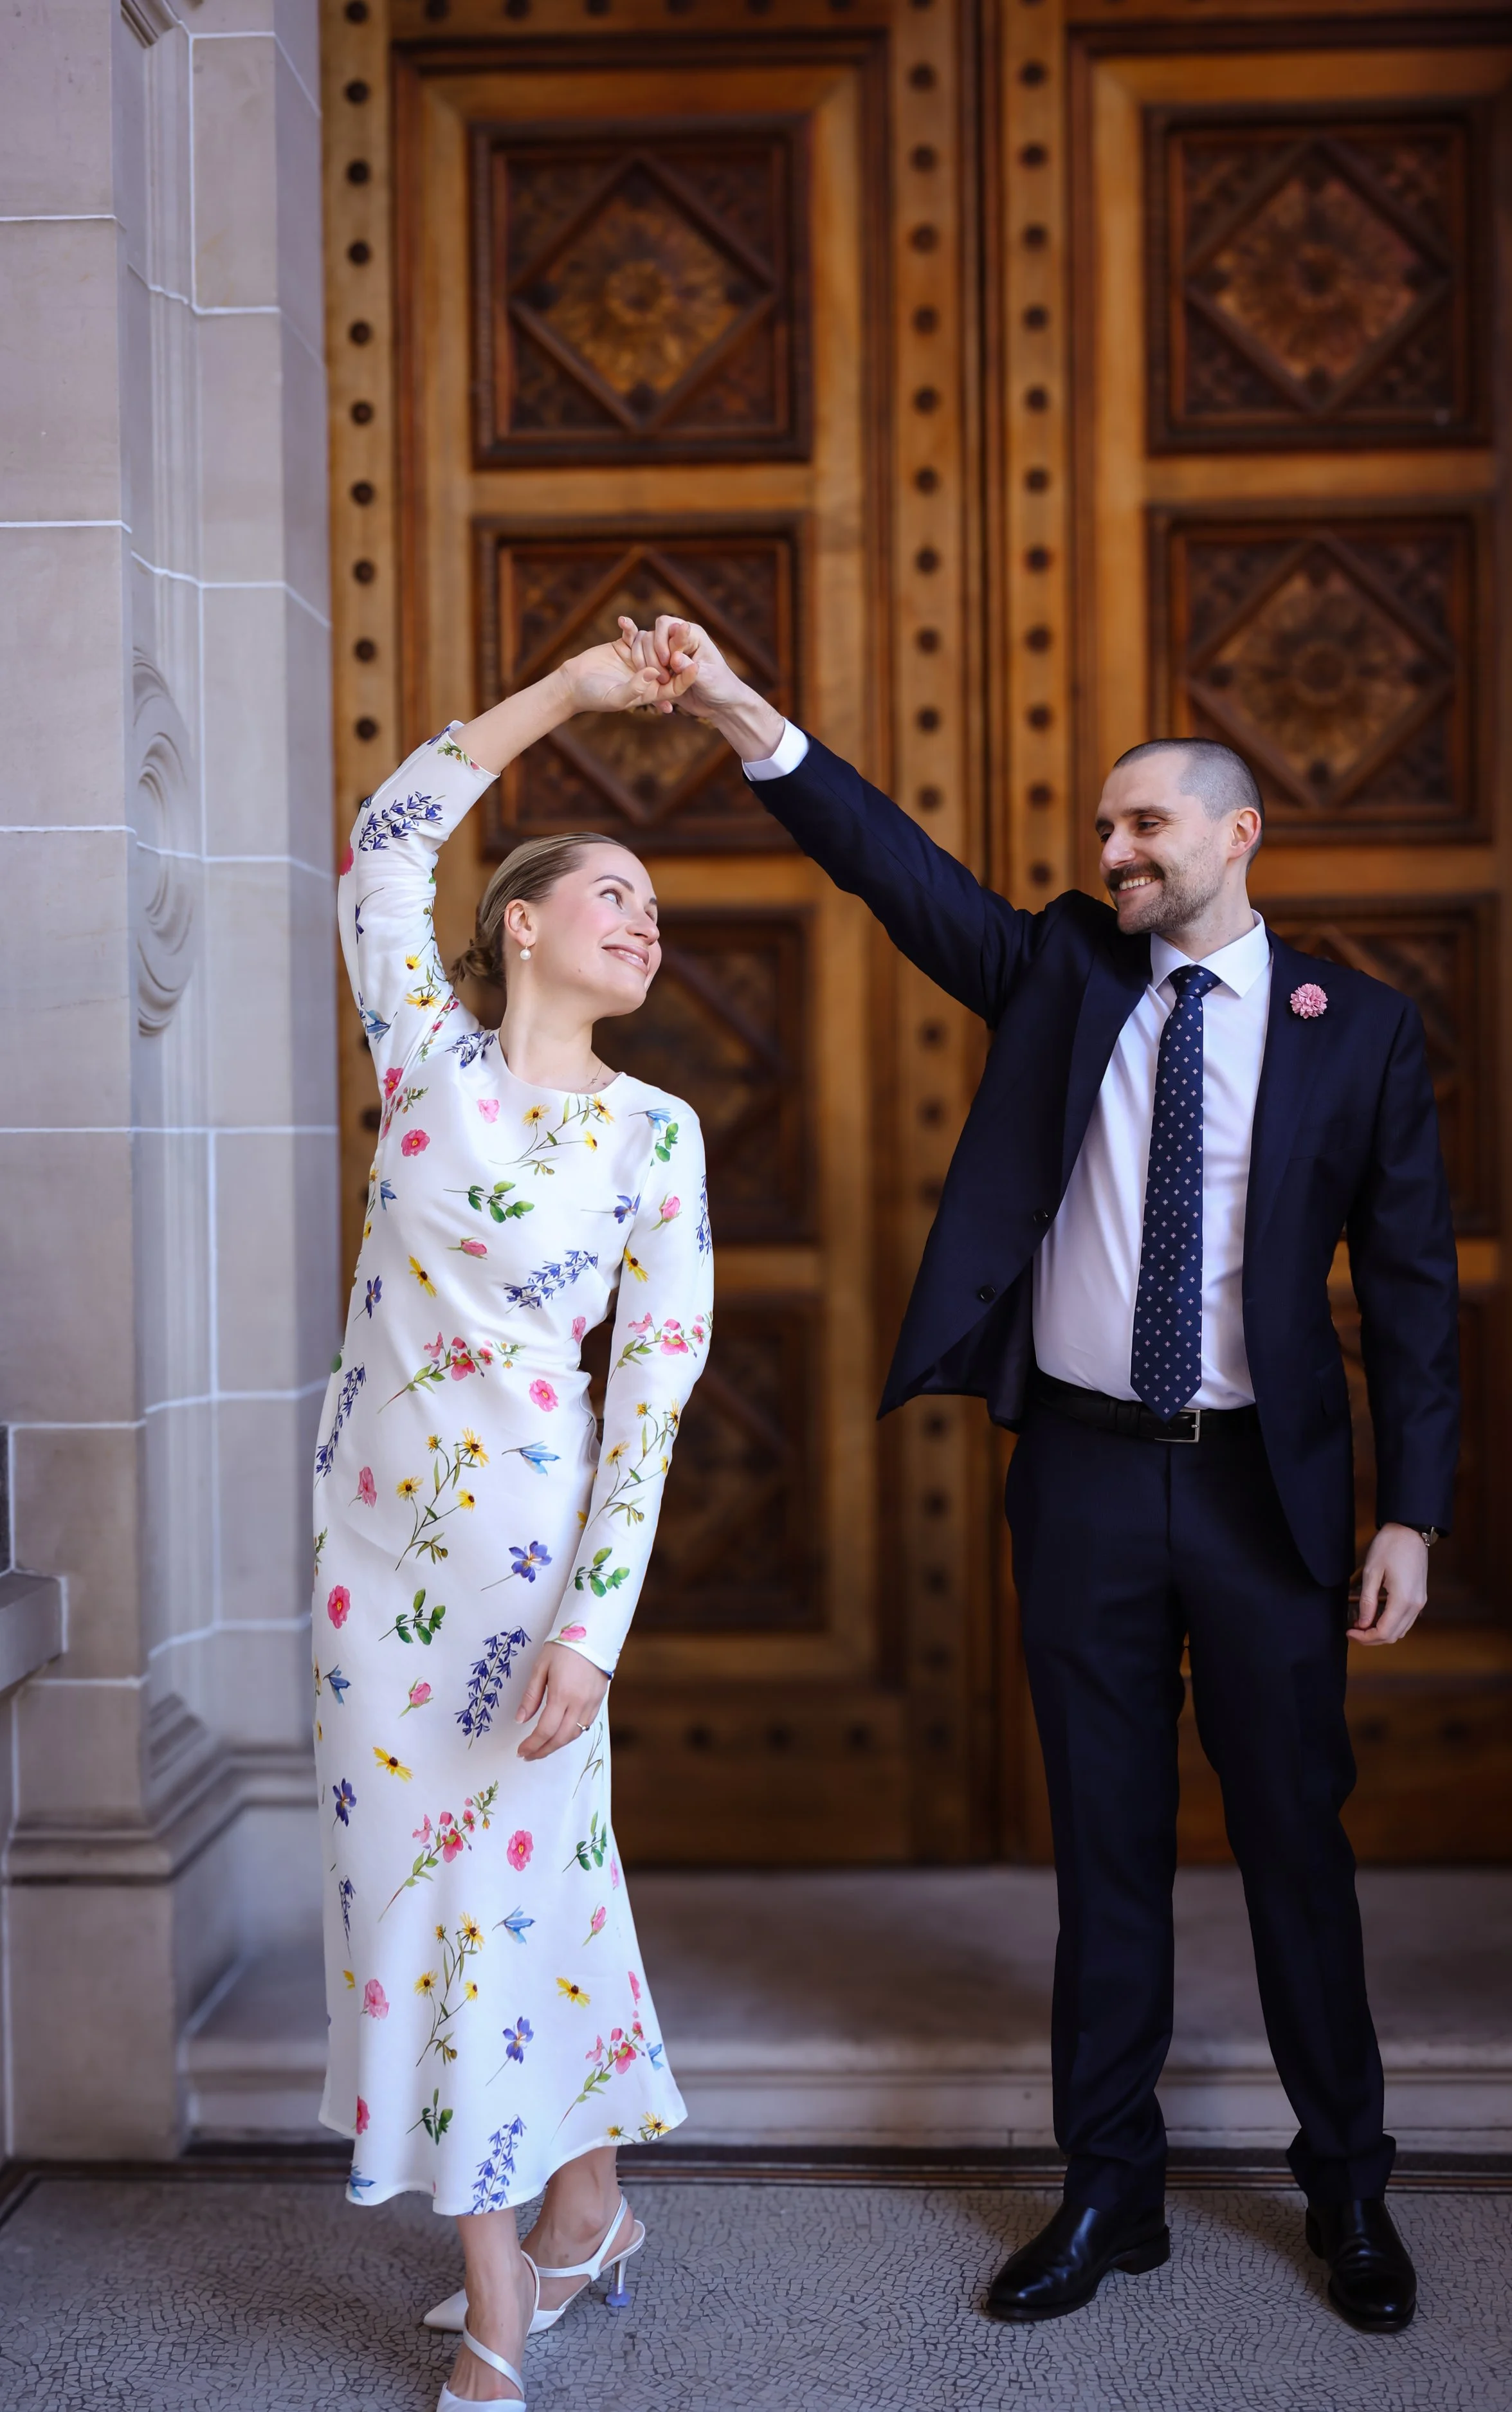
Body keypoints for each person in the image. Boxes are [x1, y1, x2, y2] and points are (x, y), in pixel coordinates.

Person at [621, 611, 1458, 2337]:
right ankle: (1108, 2192)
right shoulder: (1067, 969)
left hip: (1262, 1497)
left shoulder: (1352, 1030)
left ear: (1236, 835)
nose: (1110, 854)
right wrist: (729, 709)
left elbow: (1409, 1284)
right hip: (1080, 1477)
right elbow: (888, 866)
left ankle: (1349, 2190)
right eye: (1101, 830)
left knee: (1295, 1842)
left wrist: (1410, 1506)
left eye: (1142, 825)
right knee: (1104, 1844)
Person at [313, 639, 712, 2408]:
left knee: (486, 1907)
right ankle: (590, 2208)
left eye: (657, 907)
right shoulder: (426, 1054)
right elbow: (388, 840)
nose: (646, 920)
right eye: (613, 893)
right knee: (457, 1907)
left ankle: (496, 2305)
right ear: (526, 923)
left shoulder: (656, 1133)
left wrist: (594, 1628)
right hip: (371, 1570)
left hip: (535, 1583)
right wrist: (567, 694)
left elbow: (656, 1394)